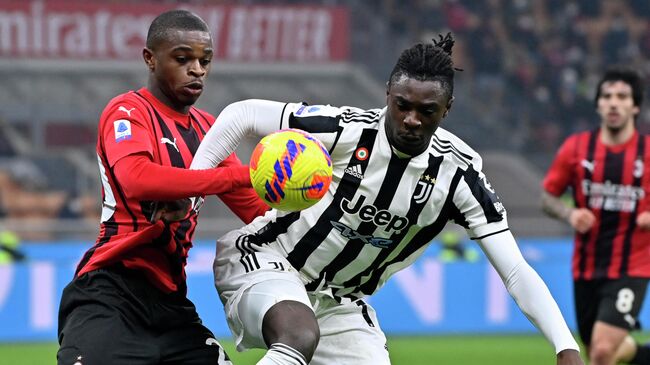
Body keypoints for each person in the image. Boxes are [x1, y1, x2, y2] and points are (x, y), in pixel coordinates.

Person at [191, 33, 583, 365]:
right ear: (388, 95)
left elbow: (514, 270)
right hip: (266, 260)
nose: (411, 119)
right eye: (402, 105)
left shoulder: (460, 176)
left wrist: (565, 346)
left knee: (312, 333)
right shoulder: (348, 130)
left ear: (446, 110)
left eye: (426, 110)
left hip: (340, 304)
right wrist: (192, 194)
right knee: (297, 333)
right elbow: (242, 114)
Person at [56, 10, 268, 365]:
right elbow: (137, 178)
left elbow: (256, 210)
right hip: (110, 292)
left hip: (171, 303)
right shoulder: (127, 111)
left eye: (205, 60)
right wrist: (246, 174)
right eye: (183, 58)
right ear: (150, 59)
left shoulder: (208, 129)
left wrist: (298, 195)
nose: (197, 69)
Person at [541, 67, 650, 365]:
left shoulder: (648, 152)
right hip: (586, 269)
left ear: (635, 106)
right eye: (607, 96)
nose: (613, 103)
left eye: (622, 97)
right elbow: (547, 197)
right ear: (598, 104)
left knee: (601, 351)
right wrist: (570, 213)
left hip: (633, 267)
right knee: (601, 351)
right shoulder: (576, 148)